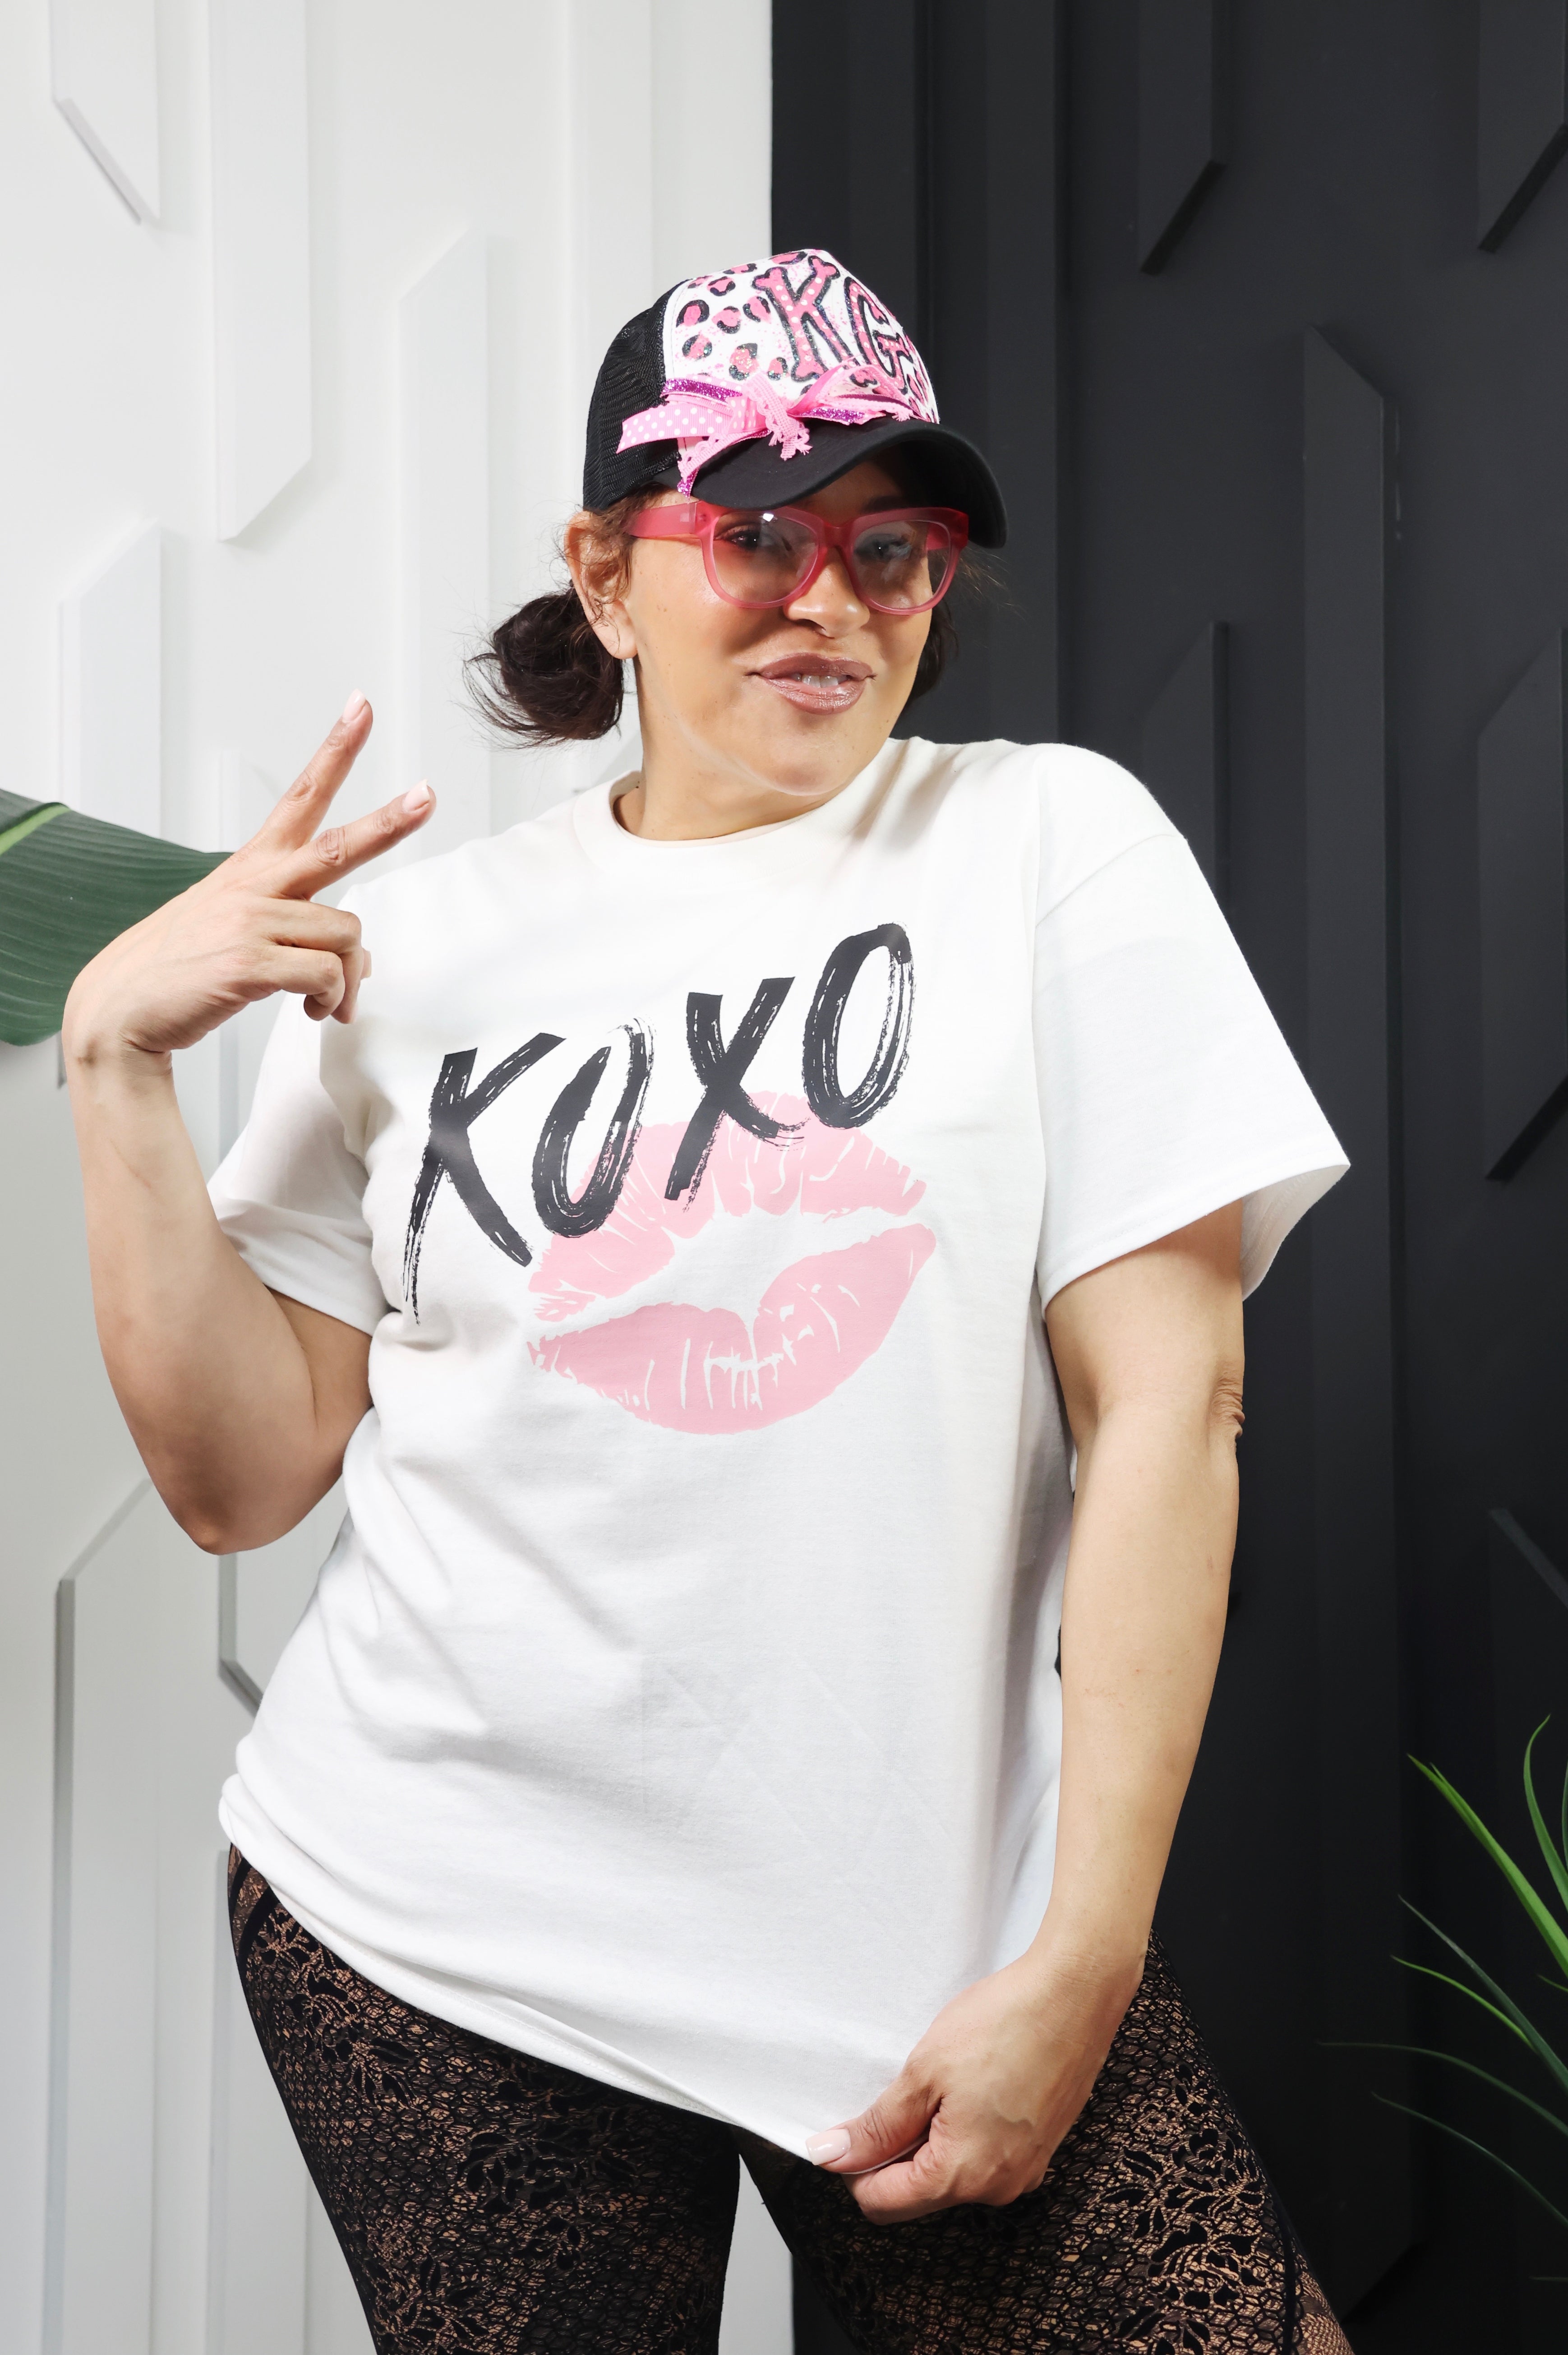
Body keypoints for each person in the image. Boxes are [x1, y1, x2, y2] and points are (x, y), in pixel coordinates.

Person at [64, 248, 1356, 2353]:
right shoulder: (419, 954)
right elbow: (240, 1478)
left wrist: (1086, 1953)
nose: (824, 598)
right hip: (443, 1921)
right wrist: (114, 1068)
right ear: (604, 573)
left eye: (888, 547)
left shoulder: (1046, 845)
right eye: (752, 534)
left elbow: (1170, 1406)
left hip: (930, 1935)